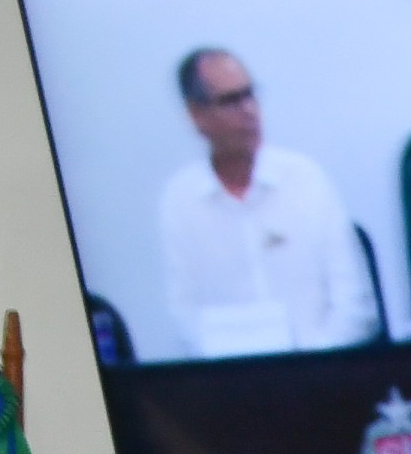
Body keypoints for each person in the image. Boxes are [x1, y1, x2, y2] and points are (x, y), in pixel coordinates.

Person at [152, 47, 376, 357]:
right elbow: (184, 316)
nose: (249, 111)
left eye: (250, 95)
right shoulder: (181, 201)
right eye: (231, 101)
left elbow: (355, 304)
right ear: (196, 115)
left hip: (321, 369)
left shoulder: (306, 180)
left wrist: (310, 367)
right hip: (231, 377)